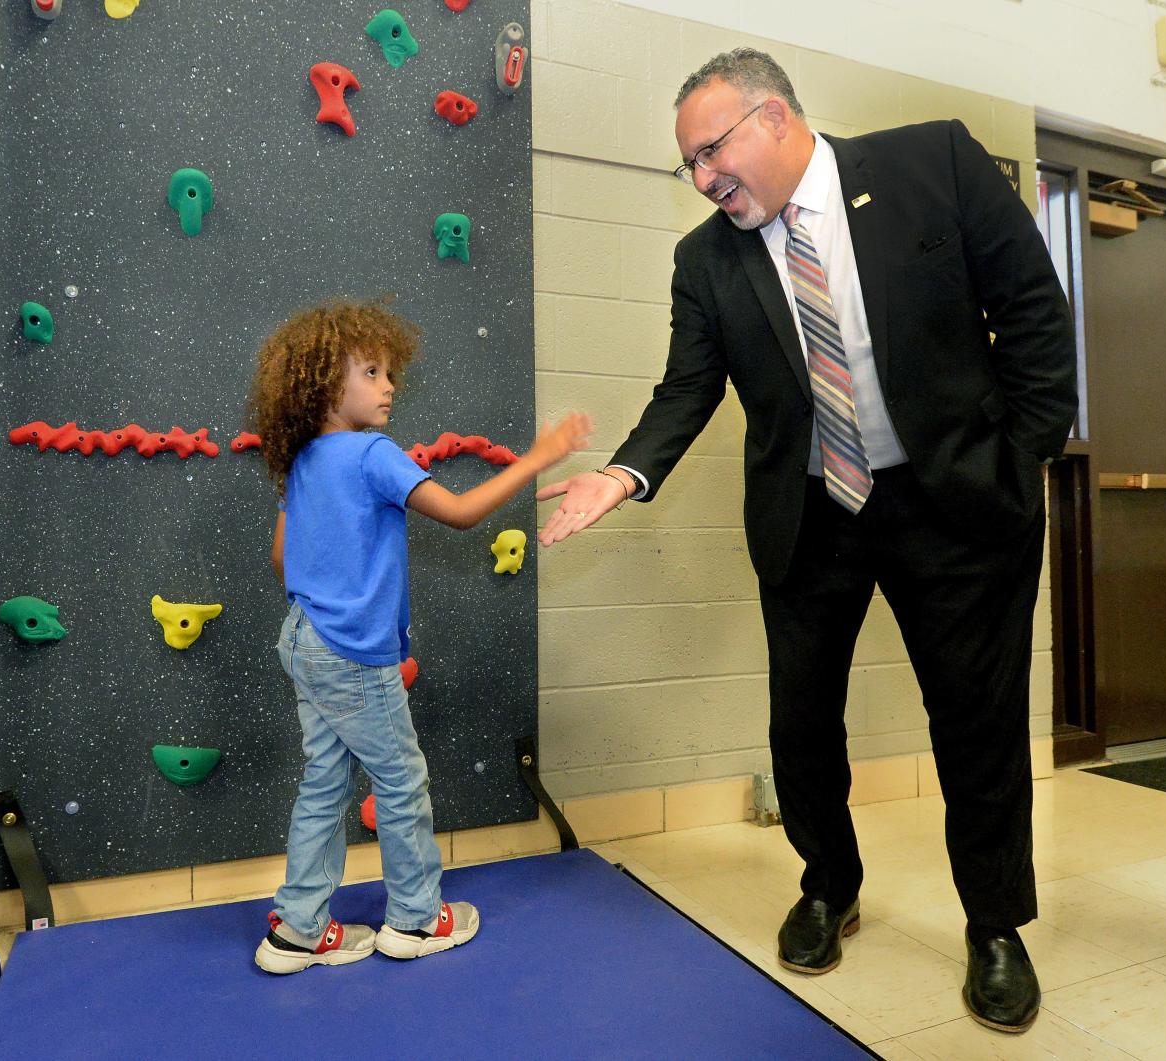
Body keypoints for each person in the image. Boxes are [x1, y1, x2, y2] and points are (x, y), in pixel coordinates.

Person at [536, 49, 1077, 1033]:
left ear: (774, 119)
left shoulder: (934, 166)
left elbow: (1035, 316)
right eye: (688, 166)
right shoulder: (706, 258)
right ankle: (829, 883)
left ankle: (996, 925)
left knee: (976, 721)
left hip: (955, 500)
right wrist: (623, 470)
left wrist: (1020, 460)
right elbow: (685, 390)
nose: (702, 179)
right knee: (801, 720)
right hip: (811, 507)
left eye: (711, 152)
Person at [247, 298, 592, 974]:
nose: (389, 386)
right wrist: (541, 456)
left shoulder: (305, 460)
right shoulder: (372, 454)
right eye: (371, 372)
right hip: (352, 650)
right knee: (401, 781)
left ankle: (298, 928)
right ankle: (414, 918)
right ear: (324, 385)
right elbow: (460, 513)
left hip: (303, 638)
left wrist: (340, 564)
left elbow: (283, 557)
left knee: (323, 781)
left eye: (388, 373)